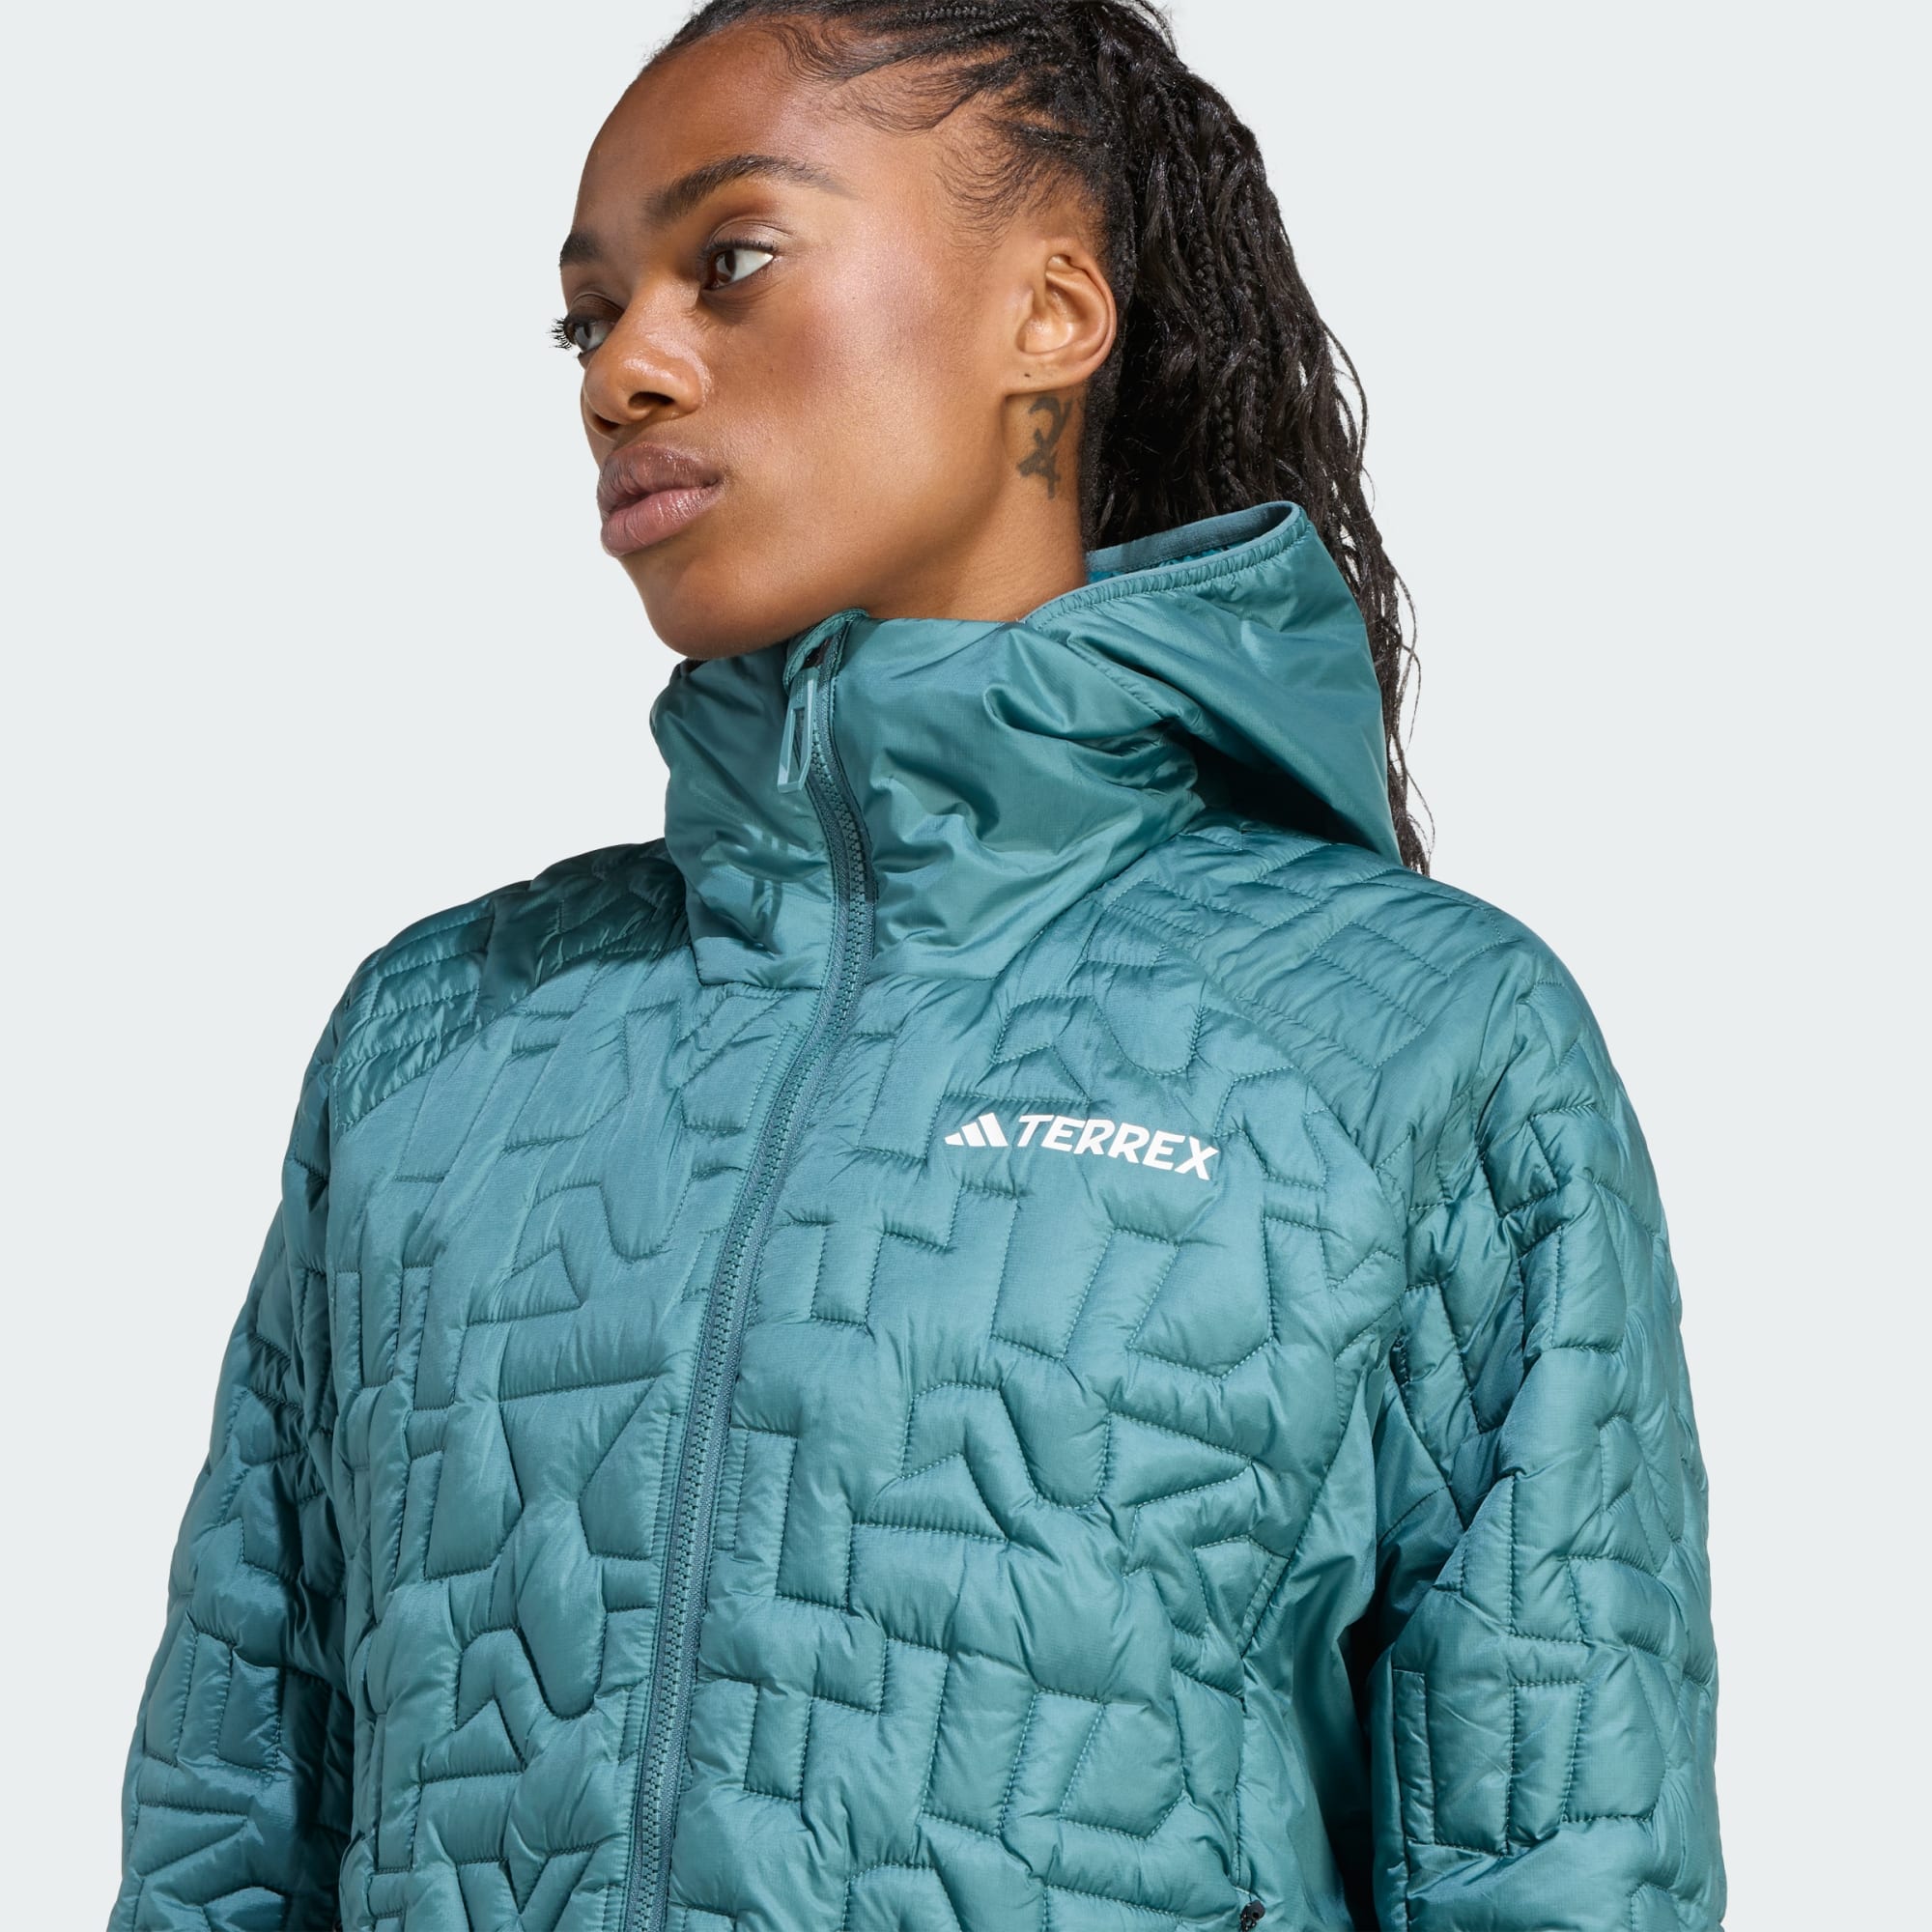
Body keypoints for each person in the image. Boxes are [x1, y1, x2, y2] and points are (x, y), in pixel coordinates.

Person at [107, 4, 1724, 1928]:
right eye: (587, 316)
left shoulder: (1408, 1036)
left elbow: (1559, 1862)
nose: (624, 371)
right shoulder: (440, 1039)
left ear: (1051, 310)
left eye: (731, 262)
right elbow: (229, 1837)